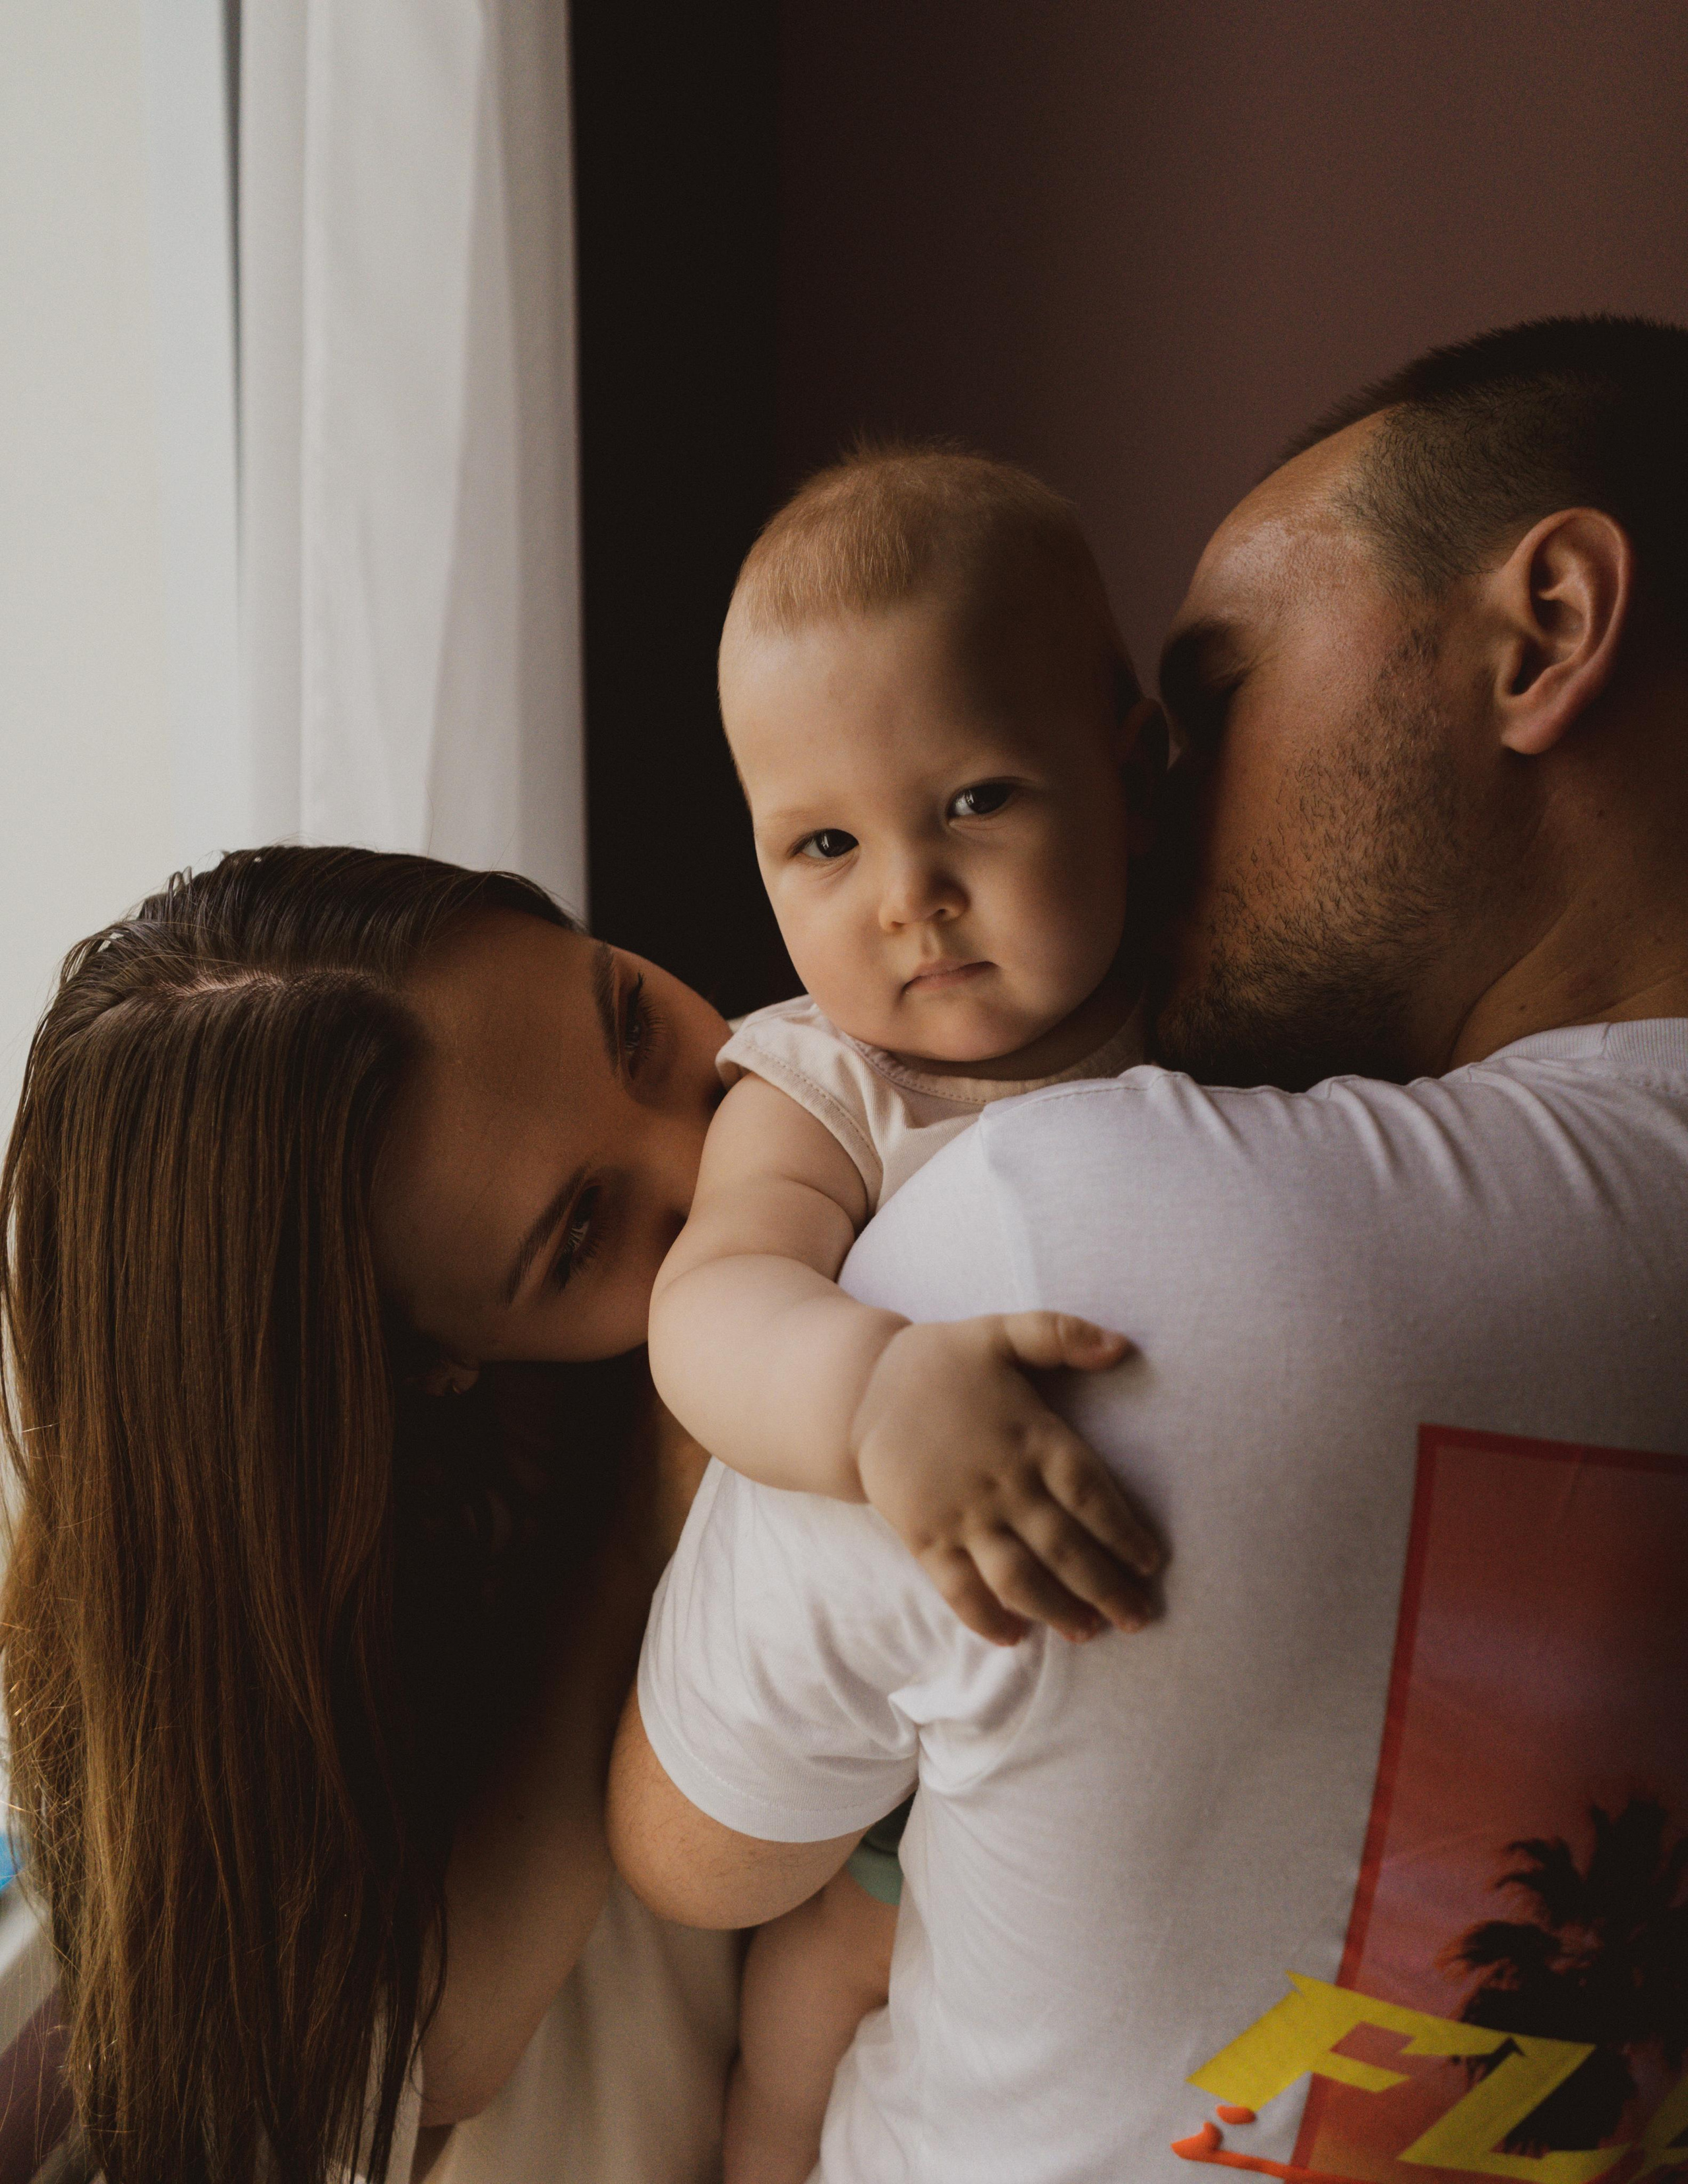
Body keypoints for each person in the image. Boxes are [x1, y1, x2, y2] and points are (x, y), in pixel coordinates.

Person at [608, 314, 1688, 2182]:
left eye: (1214, 690)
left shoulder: (1062, 1235)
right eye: (820, 845)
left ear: (1543, 633)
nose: (1169, 786)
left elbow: (694, 1843)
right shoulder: (870, 1114)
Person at [0, 847, 743, 2184]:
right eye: (580, 1235)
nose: (702, 1151)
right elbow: (419, 2053)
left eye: (633, 1023)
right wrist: (648, 1507)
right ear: (419, 1365)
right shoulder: (268, 1638)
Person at [647, 445, 1168, 2181]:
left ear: (1131, 765)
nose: (905, 896)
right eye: (823, 841)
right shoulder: (822, 1084)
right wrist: (868, 1391)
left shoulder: (1225, 1002)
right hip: (895, 1764)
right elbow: (714, 1299)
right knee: (811, 1995)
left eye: (974, 800)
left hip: (1143, 1740)